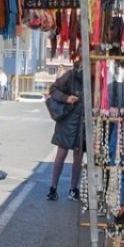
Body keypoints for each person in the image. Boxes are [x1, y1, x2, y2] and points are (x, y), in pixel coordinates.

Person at [46, 59, 84, 202]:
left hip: (83, 121)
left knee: (78, 157)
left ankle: (73, 189)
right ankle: (53, 188)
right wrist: (66, 98)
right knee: (61, 154)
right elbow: (53, 89)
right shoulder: (70, 75)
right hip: (68, 119)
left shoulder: (98, 77)